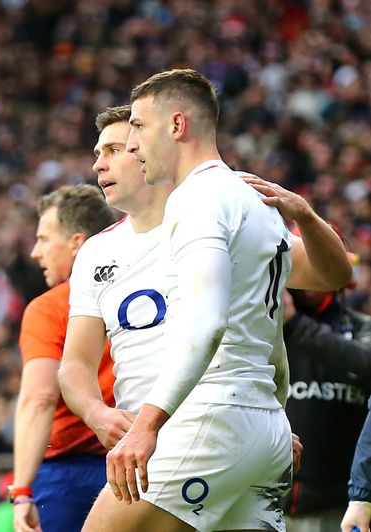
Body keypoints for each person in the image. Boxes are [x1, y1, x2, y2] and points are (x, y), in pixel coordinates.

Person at [61, 88, 351, 531]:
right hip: (206, 427)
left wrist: (307, 216)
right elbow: (74, 365)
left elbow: (328, 277)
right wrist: (98, 414)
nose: (102, 162)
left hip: (193, 423)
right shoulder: (98, 254)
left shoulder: (207, 210)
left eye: (119, 146)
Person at [11, 184, 117, 532]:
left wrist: (22, 491)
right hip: (141, 460)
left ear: (76, 242)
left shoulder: (50, 307)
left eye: (43, 239)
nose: (34, 252)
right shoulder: (144, 288)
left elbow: (40, 398)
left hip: (66, 476)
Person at [282, 276, 371, 532]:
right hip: (264, 504)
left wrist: (295, 323)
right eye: (300, 268)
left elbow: (366, 364)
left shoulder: (361, 326)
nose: (308, 276)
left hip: (338, 509)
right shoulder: (260, 329)